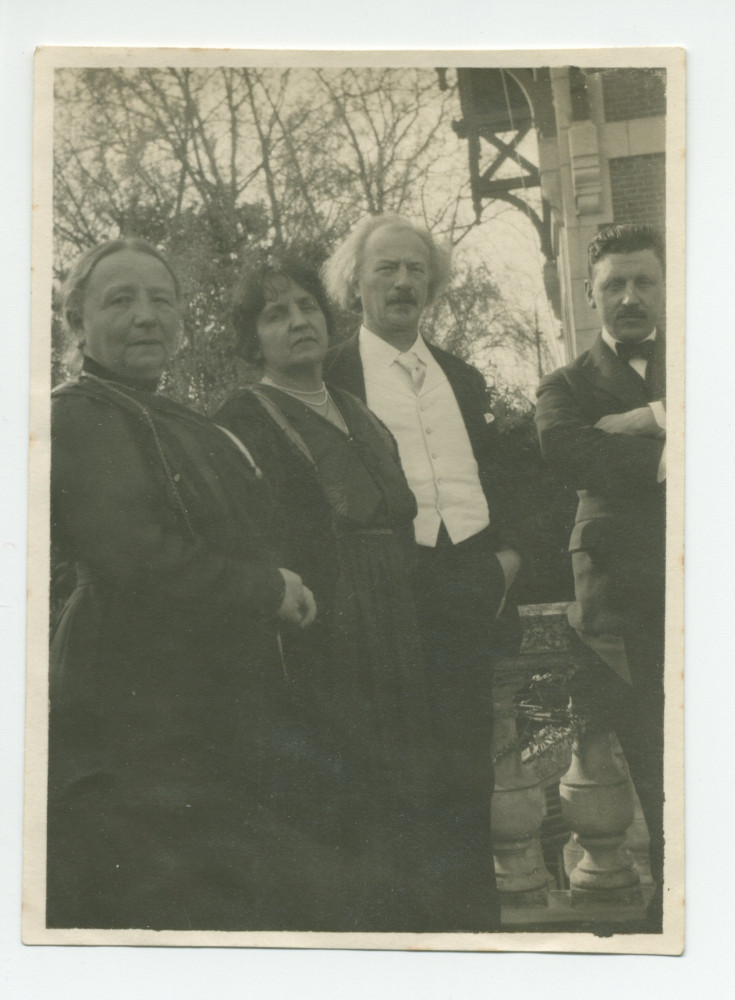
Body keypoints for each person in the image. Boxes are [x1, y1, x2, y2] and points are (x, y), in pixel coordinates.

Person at [46, 238, 362, 932]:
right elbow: (136, 556)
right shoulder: (77, 413)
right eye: (120, 300)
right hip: (133, 708)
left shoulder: (166, 413)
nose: (146, 315)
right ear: (76, 323)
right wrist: (266, 590)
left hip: (205, 704)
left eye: (161, 300)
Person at [216, 257, 467, 932]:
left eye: (307, 307)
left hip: (398, 630)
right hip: (322, 642)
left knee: (412, 796)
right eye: (276, 314)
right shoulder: (240, 421)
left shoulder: (362, 414)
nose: (298, 321)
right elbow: (245, 547)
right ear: (251, 339)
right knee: (346, 806)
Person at [321, 214, 524, 929]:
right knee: (392, 784)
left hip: (467, 591)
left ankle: (476, 935)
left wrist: (506, 563)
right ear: (355, 283)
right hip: (383, 600)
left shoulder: (462, 377)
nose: (403, 282)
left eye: (415, 270)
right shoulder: (331, 374)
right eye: (386, 269)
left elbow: (504, 478)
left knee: (468, 777)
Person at [534, 223, 667, 928]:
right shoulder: (565, 385)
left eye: (644, 281)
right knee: (657, 756)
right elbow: (569, 450)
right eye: (614, 285)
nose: (629, 297)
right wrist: (677, 451)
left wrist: (654, 416)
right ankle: (673, 906)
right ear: (591, 296)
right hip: (627, 600)